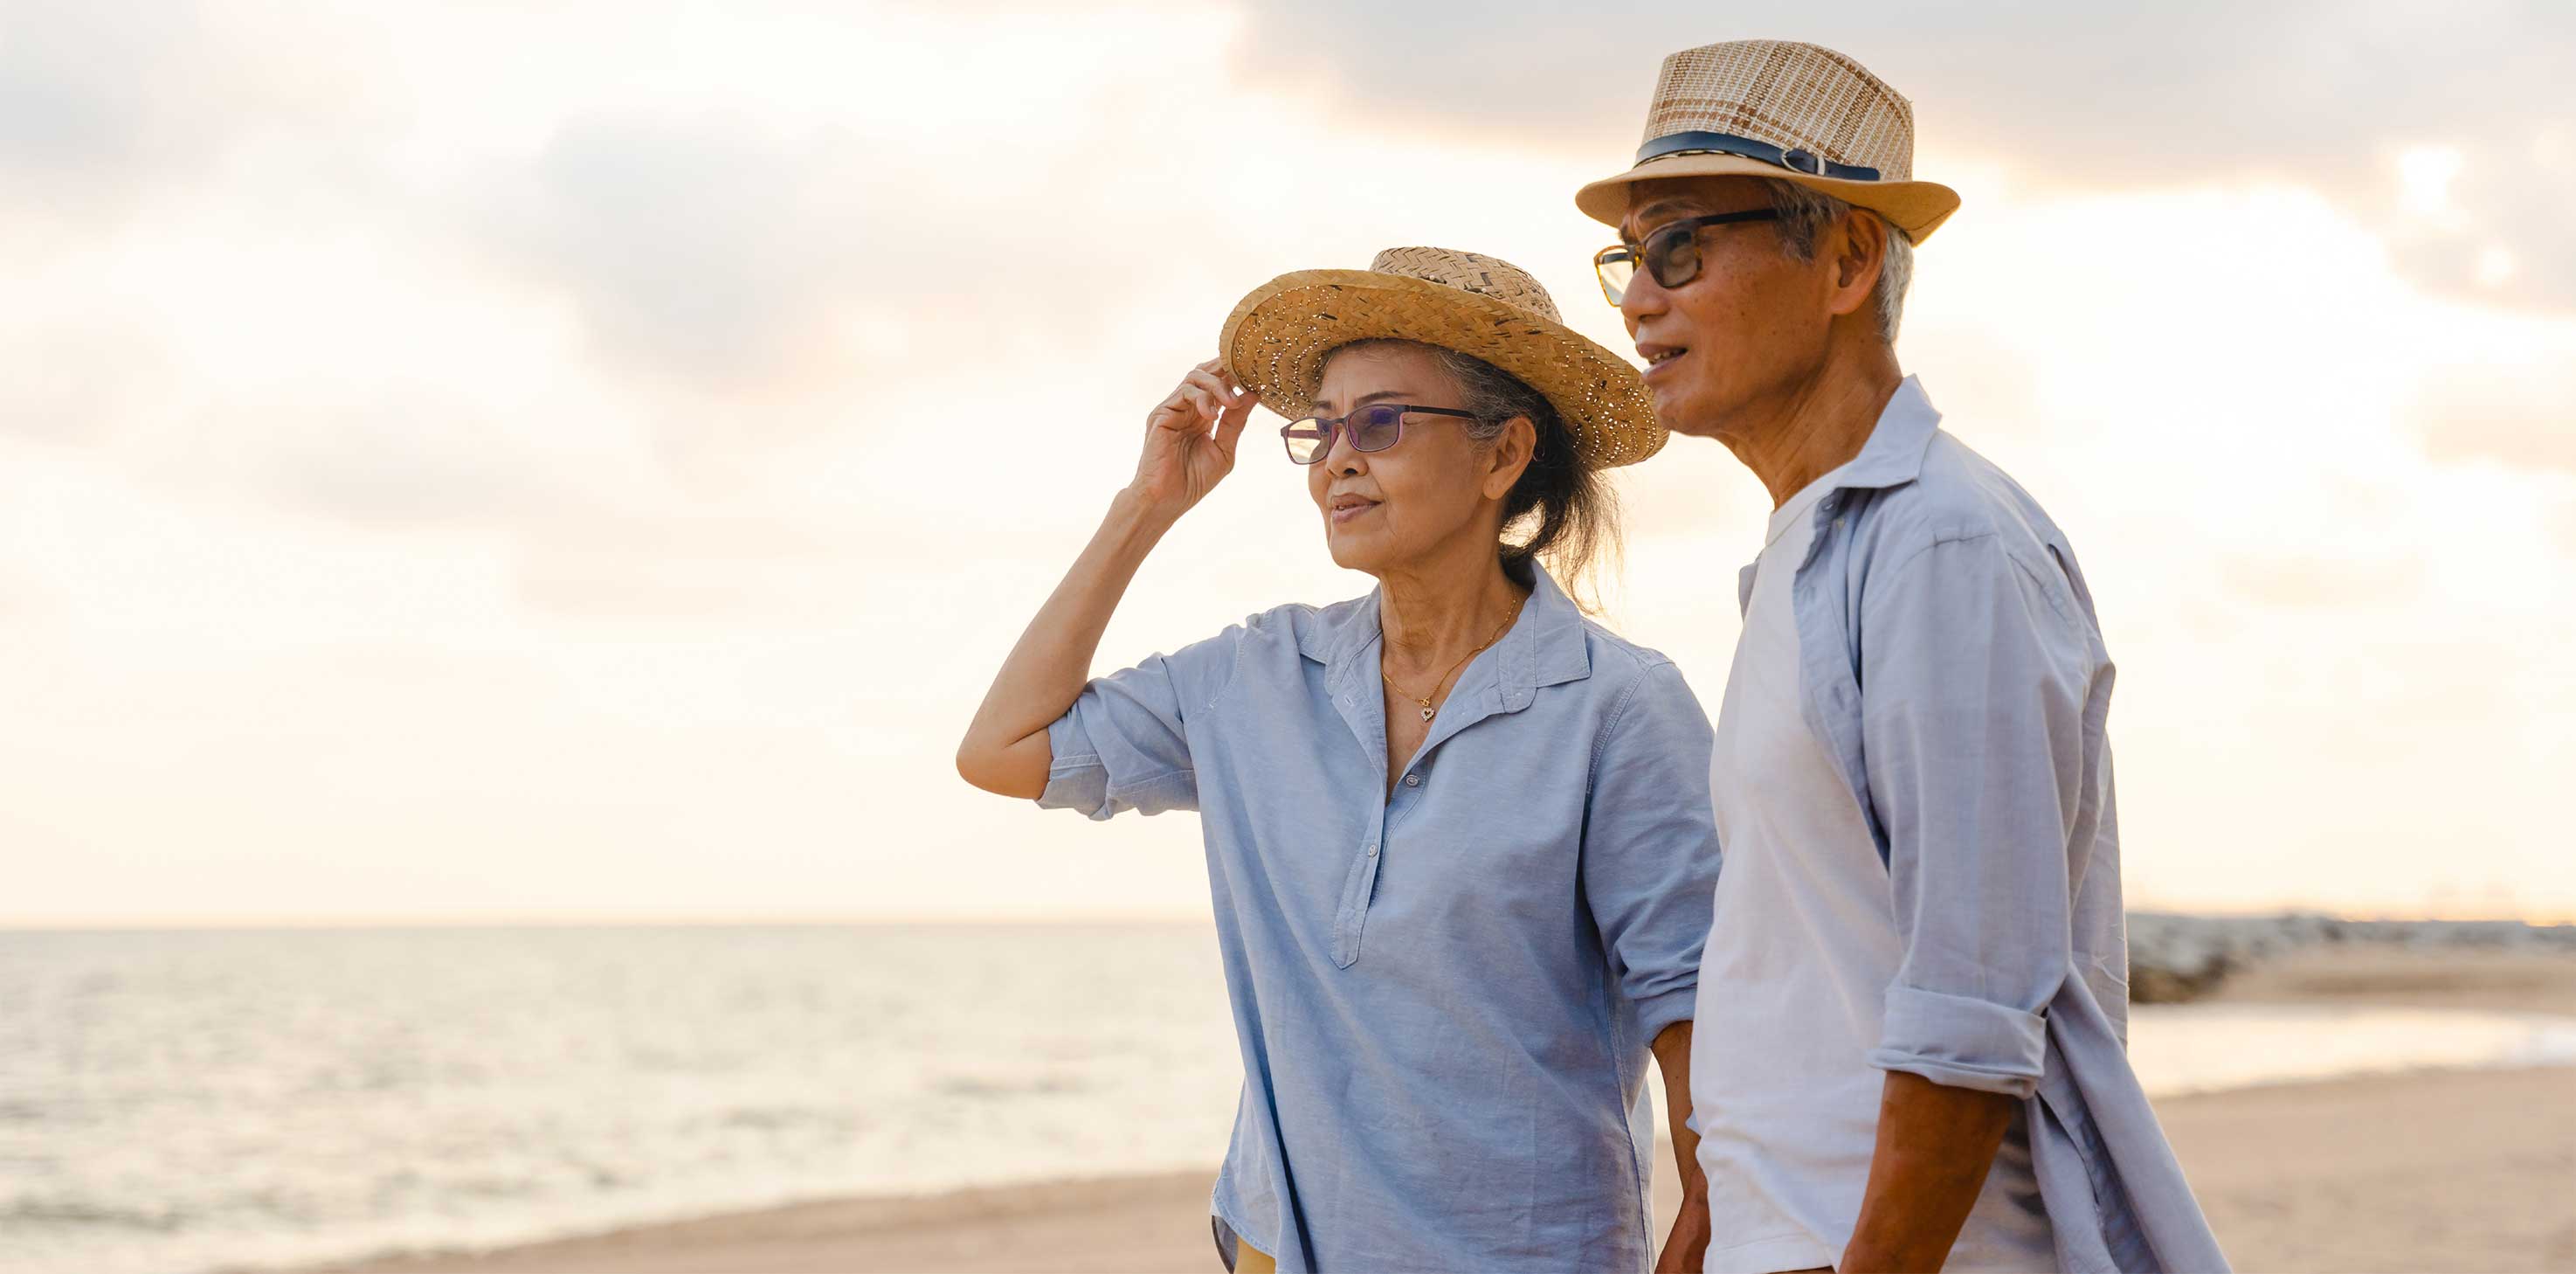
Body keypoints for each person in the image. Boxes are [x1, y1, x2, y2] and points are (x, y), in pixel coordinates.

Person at [1573, 40, 2232, 1273]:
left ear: (1846, 258)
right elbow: (1799, 972)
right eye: (1628, 258)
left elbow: (1969, 1006)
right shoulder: (1806, 552)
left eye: (1679, 249)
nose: (1636, 301)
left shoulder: (1941, 540)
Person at [956, 246, 1723, 1272]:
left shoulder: (1618, 708)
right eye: (1321, 427)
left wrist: (1696, 1251)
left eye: (1382, 424)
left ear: (1503, 457)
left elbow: (1702, 1025)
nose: (1336, 460)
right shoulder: (1254, 677)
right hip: (1279, 1251)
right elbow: (1002, 748)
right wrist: (1148, 504)